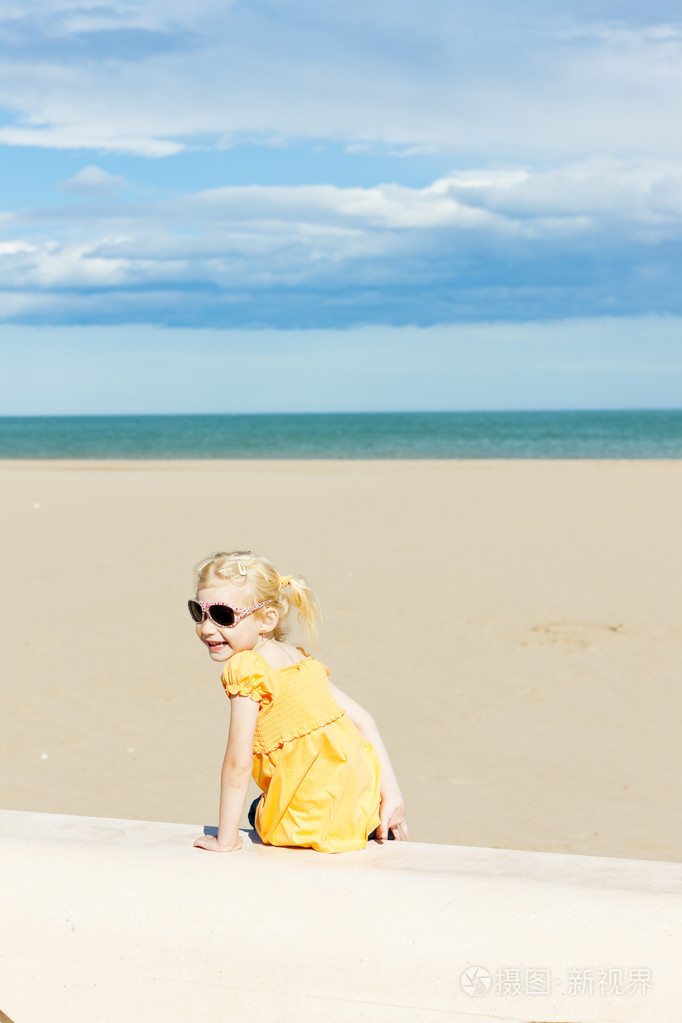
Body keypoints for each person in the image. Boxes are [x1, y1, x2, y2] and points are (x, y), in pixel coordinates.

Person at [190, 550, 408, 853]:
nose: (207, 628)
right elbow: (364, 719)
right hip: (361, 802)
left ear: (266, 619)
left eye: (223, 616)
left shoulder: (248, 669)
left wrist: (226, 840)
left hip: (316, 816)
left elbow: (237, 764)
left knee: (259, 812)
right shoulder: (299, 659)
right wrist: (392, 795)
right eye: (198, 612)